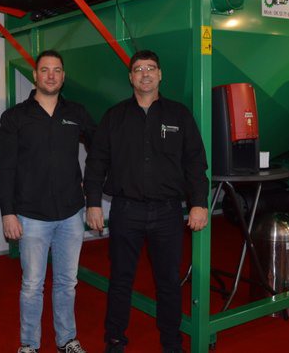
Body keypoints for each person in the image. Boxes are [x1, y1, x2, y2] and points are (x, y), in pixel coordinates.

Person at [84, 50, 209, 353]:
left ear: (160, 74)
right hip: (126, 211)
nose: (145, 74)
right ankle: (115, 339)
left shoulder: (179, 115)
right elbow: (96, 162)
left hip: (168, 213)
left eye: (151, 68)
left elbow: (194, 162)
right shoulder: (114, 116)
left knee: (168, 282)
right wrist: (93, 203)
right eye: (139, 69)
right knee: (120, 279)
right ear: (131, 77)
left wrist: (199, 202)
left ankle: (171, 342)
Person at [0, 50, 95, 353]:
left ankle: (67, 339)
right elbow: (5, 169)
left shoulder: (77, 112)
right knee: (32, 285)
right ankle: (29, 344)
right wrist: (8, 213)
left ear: (63, 76)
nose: (51, 75)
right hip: (31, 216)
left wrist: (91, 186)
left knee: (67, 282)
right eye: (45, 70)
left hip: (70, 214)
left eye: (57, 70)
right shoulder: (15, 117)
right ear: (35, 75)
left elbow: (100, 150)